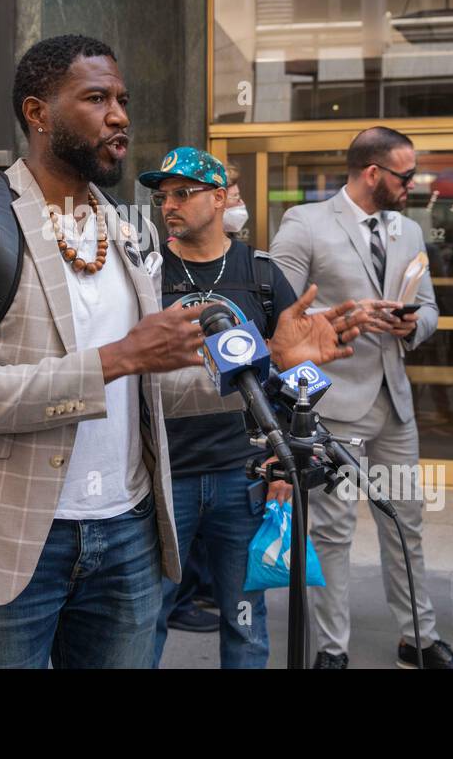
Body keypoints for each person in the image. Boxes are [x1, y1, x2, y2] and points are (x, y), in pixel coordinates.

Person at [0, 34, 363, 668]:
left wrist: (272, 360)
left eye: (122, 99)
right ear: (38, 113)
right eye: (96, 98)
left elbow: (149, 386)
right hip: (11, 539)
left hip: (127, 533)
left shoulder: (122, 226)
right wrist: (118, 356)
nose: (120, 115)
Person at [270, 125, 453, 669]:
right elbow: (278, 313)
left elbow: (427, 306)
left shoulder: (408, 229)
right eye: (407, 176)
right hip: (333, 405)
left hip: (395, 405)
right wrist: (349, 316)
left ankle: (419, 639)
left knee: (406, 521)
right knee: (332, 532)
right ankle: (331, 651)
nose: (414, 185)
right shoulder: (305, 223)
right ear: (373, 173)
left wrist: (414, 327)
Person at [142, 147, 300, 669]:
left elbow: (293, 372)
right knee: (148, 614)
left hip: (243, 472)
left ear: (218, 197)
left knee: (245, 617)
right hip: (164, 473)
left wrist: (285, 460)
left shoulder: (261, 274)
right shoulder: (143, 274)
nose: (169, 205)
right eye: (163, 196)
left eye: (183, 193)